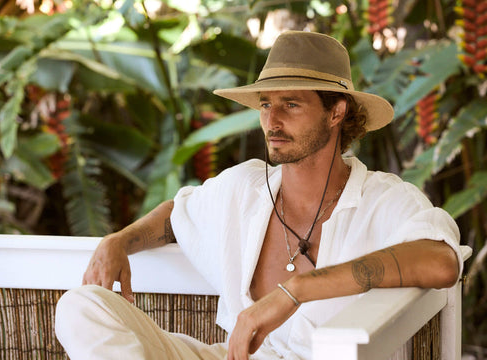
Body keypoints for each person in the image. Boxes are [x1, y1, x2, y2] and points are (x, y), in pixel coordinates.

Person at [55, 31, 462, 360]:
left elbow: (442, 262)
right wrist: (119, 241)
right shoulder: (244, 188)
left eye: (291, 104)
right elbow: (174, 216)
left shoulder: (381, 199)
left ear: (336, 112)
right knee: (81, 307)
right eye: (266, 104)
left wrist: (296, 292)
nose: (272, 120)